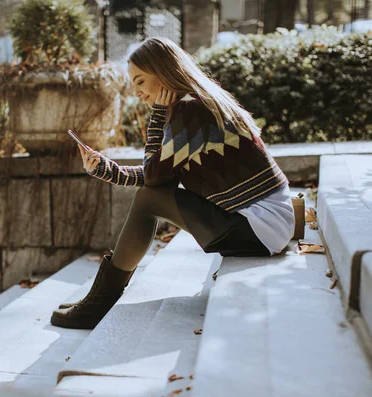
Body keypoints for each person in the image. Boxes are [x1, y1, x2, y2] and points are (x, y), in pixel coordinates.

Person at [50, 37, 295, 330]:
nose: (138, 93)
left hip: (260, 228)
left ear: (163, 72)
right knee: (151, 196)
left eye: (140, 81)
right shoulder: (196, 102)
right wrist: (105, 168)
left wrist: (156, 119)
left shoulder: (190, 111)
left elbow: (154, 177)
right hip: (266, 223)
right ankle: (99, 297)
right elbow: (161, 175)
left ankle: (99, 302)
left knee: (148, 200)